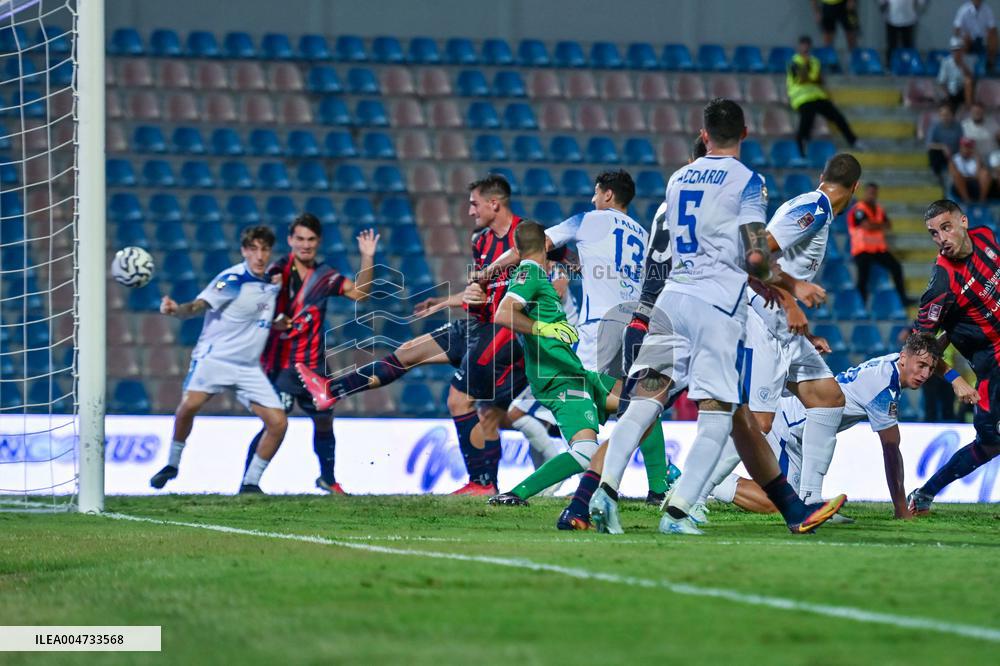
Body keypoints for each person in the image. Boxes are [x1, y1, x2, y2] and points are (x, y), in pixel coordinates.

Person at [588, 98, 846, 536]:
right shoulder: (747, 182)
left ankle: (604, 493)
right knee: (717, 413)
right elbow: (755, 255)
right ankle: (678, 513)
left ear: (704, 135)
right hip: (715, 308)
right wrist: (792, 288)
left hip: (672, 301)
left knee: (644, 402)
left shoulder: (678, 179)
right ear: (744, 133)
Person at [297, 175, 527, 495]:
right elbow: (481, 291)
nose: (470, 211)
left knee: (462, 401)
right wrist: (446, 300)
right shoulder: (481, 240)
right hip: (476, 325)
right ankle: (331, 390)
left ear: (494, 203)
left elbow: (557, 273)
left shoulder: (528, 236)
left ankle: (482, 483)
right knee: (408, 352)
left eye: (474, 204)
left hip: (505, 333)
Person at [483, 171, 673, 504]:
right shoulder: (643, 235)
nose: (592, 199)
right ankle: (659, 486)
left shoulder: (588, 220)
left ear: (608, 195)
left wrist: (484, 275)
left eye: (596, 193)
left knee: (562, 411)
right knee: (638, 404)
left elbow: (533, 247)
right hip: (636, 327)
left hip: (599, 330)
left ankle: (566, 491)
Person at [711, 333, 943, 520]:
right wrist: (901, 508)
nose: (924, 374)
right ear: (904, 358)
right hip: (789, 425)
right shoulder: (884, 387)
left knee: (796, 504)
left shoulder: (892, 364)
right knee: (780, 504)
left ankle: (809, 502)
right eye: (921, 365)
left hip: (801, 430)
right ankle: (710, 482)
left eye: (930, 369)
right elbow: (891, 450)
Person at [241, 215, 378, 495]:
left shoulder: (325, 276)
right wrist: (272, 316)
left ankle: (328, 479)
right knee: (275, 423)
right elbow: (252, 307)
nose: (305, 245)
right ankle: (248, 483)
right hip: (280, 364)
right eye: (300, 239)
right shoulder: (276, 271)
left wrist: (367, 257)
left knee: (325, 419)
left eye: (311, 239)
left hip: (314, 365)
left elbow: (361, 294)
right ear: (290, 240)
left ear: (319, 242)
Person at [149, 226, 285, 494]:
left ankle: (250, 483)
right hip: (215, 359)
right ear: (244, 251)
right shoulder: (231, 280)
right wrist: (177, 310)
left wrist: (278, 322)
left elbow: (258, 313)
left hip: (247, 367)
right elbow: (198, 306)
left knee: (278, 423)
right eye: (253, 249)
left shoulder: (271, 284)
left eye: (264, 249)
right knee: (189, 406)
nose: (259, 256)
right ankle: (172, 465)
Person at [907, 199, 1000, 514]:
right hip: (992, 368)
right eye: (934, 233)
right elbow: (919, 346)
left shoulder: (986, 236)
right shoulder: (942, 284)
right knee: (990, 443)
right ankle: (924, 494)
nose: (941, 238)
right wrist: (955, 378)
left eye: (946, 228)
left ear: (964, 222)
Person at [787, 35, 861, 158]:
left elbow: (816, 78)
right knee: (806, 122)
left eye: (807, 45)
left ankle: (854, 141)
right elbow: (804, 79)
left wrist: (813, 79)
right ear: (799, 47)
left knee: (838, 117)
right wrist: (811, 76)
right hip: (802, 98)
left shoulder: (814, 61)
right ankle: (801, 152)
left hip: (818, 96)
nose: (805, 48)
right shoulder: (794, 62)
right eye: (803, 45)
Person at [847, 182, 914, 306]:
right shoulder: (859, 209)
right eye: (870, 192)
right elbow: (867, 226)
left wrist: (874, 225)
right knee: (863, 278)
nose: (872, 195)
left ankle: (903, 299)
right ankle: (860, 304)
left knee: (896, 267)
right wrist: (879, 225)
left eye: (874, 193)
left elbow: (888, 225)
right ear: (865, 193)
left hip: (878, 249)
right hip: (862, 250)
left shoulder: (879, 209)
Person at [926, 103, 965, 191]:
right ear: (939, 116)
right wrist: (943, 146)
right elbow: (929, 144)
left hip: (955, 153)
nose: (945, 117)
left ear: (952, 115)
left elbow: (962, 141)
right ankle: (937, 175)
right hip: (942, 154)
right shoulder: (935, 126)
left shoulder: (958, 126)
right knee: (932, 153)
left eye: (947, 114)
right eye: (943, 115)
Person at [954, 0, 998, 73]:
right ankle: (963, 66)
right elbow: (957, 28)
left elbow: (992, 27)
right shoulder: (963, 10)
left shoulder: (987, 10)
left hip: (982, 40)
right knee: (964, 39)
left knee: (993, 36)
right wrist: (961, 38)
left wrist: (989, 34)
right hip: (968, 40)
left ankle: (990, 63)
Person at [937, 37, 975, 113]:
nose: (957, 52)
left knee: (968, 81)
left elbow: (971, 77)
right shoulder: (946, 62)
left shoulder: (969, 60)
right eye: (954, 50)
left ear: (963, 50)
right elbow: (941, 82)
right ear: (951, 51)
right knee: (946, 100)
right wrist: (947, 95)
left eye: (959, 50)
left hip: (963, 91)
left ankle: (968, 107)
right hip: (950, 91)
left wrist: (962, 65)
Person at [949, 137, 992, 203]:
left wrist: (978, 160)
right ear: (960, 147)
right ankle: (966, 200)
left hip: (974, 183)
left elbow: (978, 174)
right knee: (957, 175)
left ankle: (982, 200)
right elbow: (953, 174)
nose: (967, 149)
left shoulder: (975, 158)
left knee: (985, 173)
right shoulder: (954, 159)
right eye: (965, 147)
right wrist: (966, 177)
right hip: (960, 186)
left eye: (969, 147)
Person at [960, 103, 1000, 168]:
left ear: (983, 112)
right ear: (970, 112)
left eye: (979, 112)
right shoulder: (964, 125)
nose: (977, 114)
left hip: (993, 153)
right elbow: (963, 146)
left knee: (996, 162)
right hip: (975, 156)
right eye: (974, 112)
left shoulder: (992, 122)